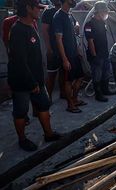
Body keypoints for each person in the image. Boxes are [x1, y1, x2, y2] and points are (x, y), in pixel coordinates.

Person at [8, 0, 60, 151]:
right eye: (37, 7)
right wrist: (32, 84)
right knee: (21, 112)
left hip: (36, 79)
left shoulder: (32, 26)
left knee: (44, 105)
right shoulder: (18, 30)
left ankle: (49, 134)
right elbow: (19, 62)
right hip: (22, 81)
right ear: (28, 8)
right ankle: (22, 140)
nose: (39, 10)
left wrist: (39, 79)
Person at [53, 0, 86, 113]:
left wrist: (78, 50)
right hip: (67, 56)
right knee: (68, 81)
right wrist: (64, 59)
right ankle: (70, 105)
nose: (74, 1)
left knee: (80, 77)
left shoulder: (69, 15)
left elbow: (73, 33)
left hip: (74, 54)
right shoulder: (58, 16)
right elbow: (58, 40)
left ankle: (75, 99)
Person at [84, 1, 115, 102]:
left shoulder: (102, 22)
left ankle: (105, 90)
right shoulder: (89, 24)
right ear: (99, 12)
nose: (106, 13)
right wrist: (94, 55)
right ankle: (98, 94)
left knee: (106, 72)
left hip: (104, 53)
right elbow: (90, 41)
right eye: (104, 11)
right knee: (97, 75)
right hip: (96, 55)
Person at [41, 0, 64, 102]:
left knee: (64, 73)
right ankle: (48, 97)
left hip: (64, 49)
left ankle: (63, 93)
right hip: (53, 49)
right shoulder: (48, 12)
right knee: (51, 76)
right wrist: (48, 48)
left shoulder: (66, 11)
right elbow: (45, 30)